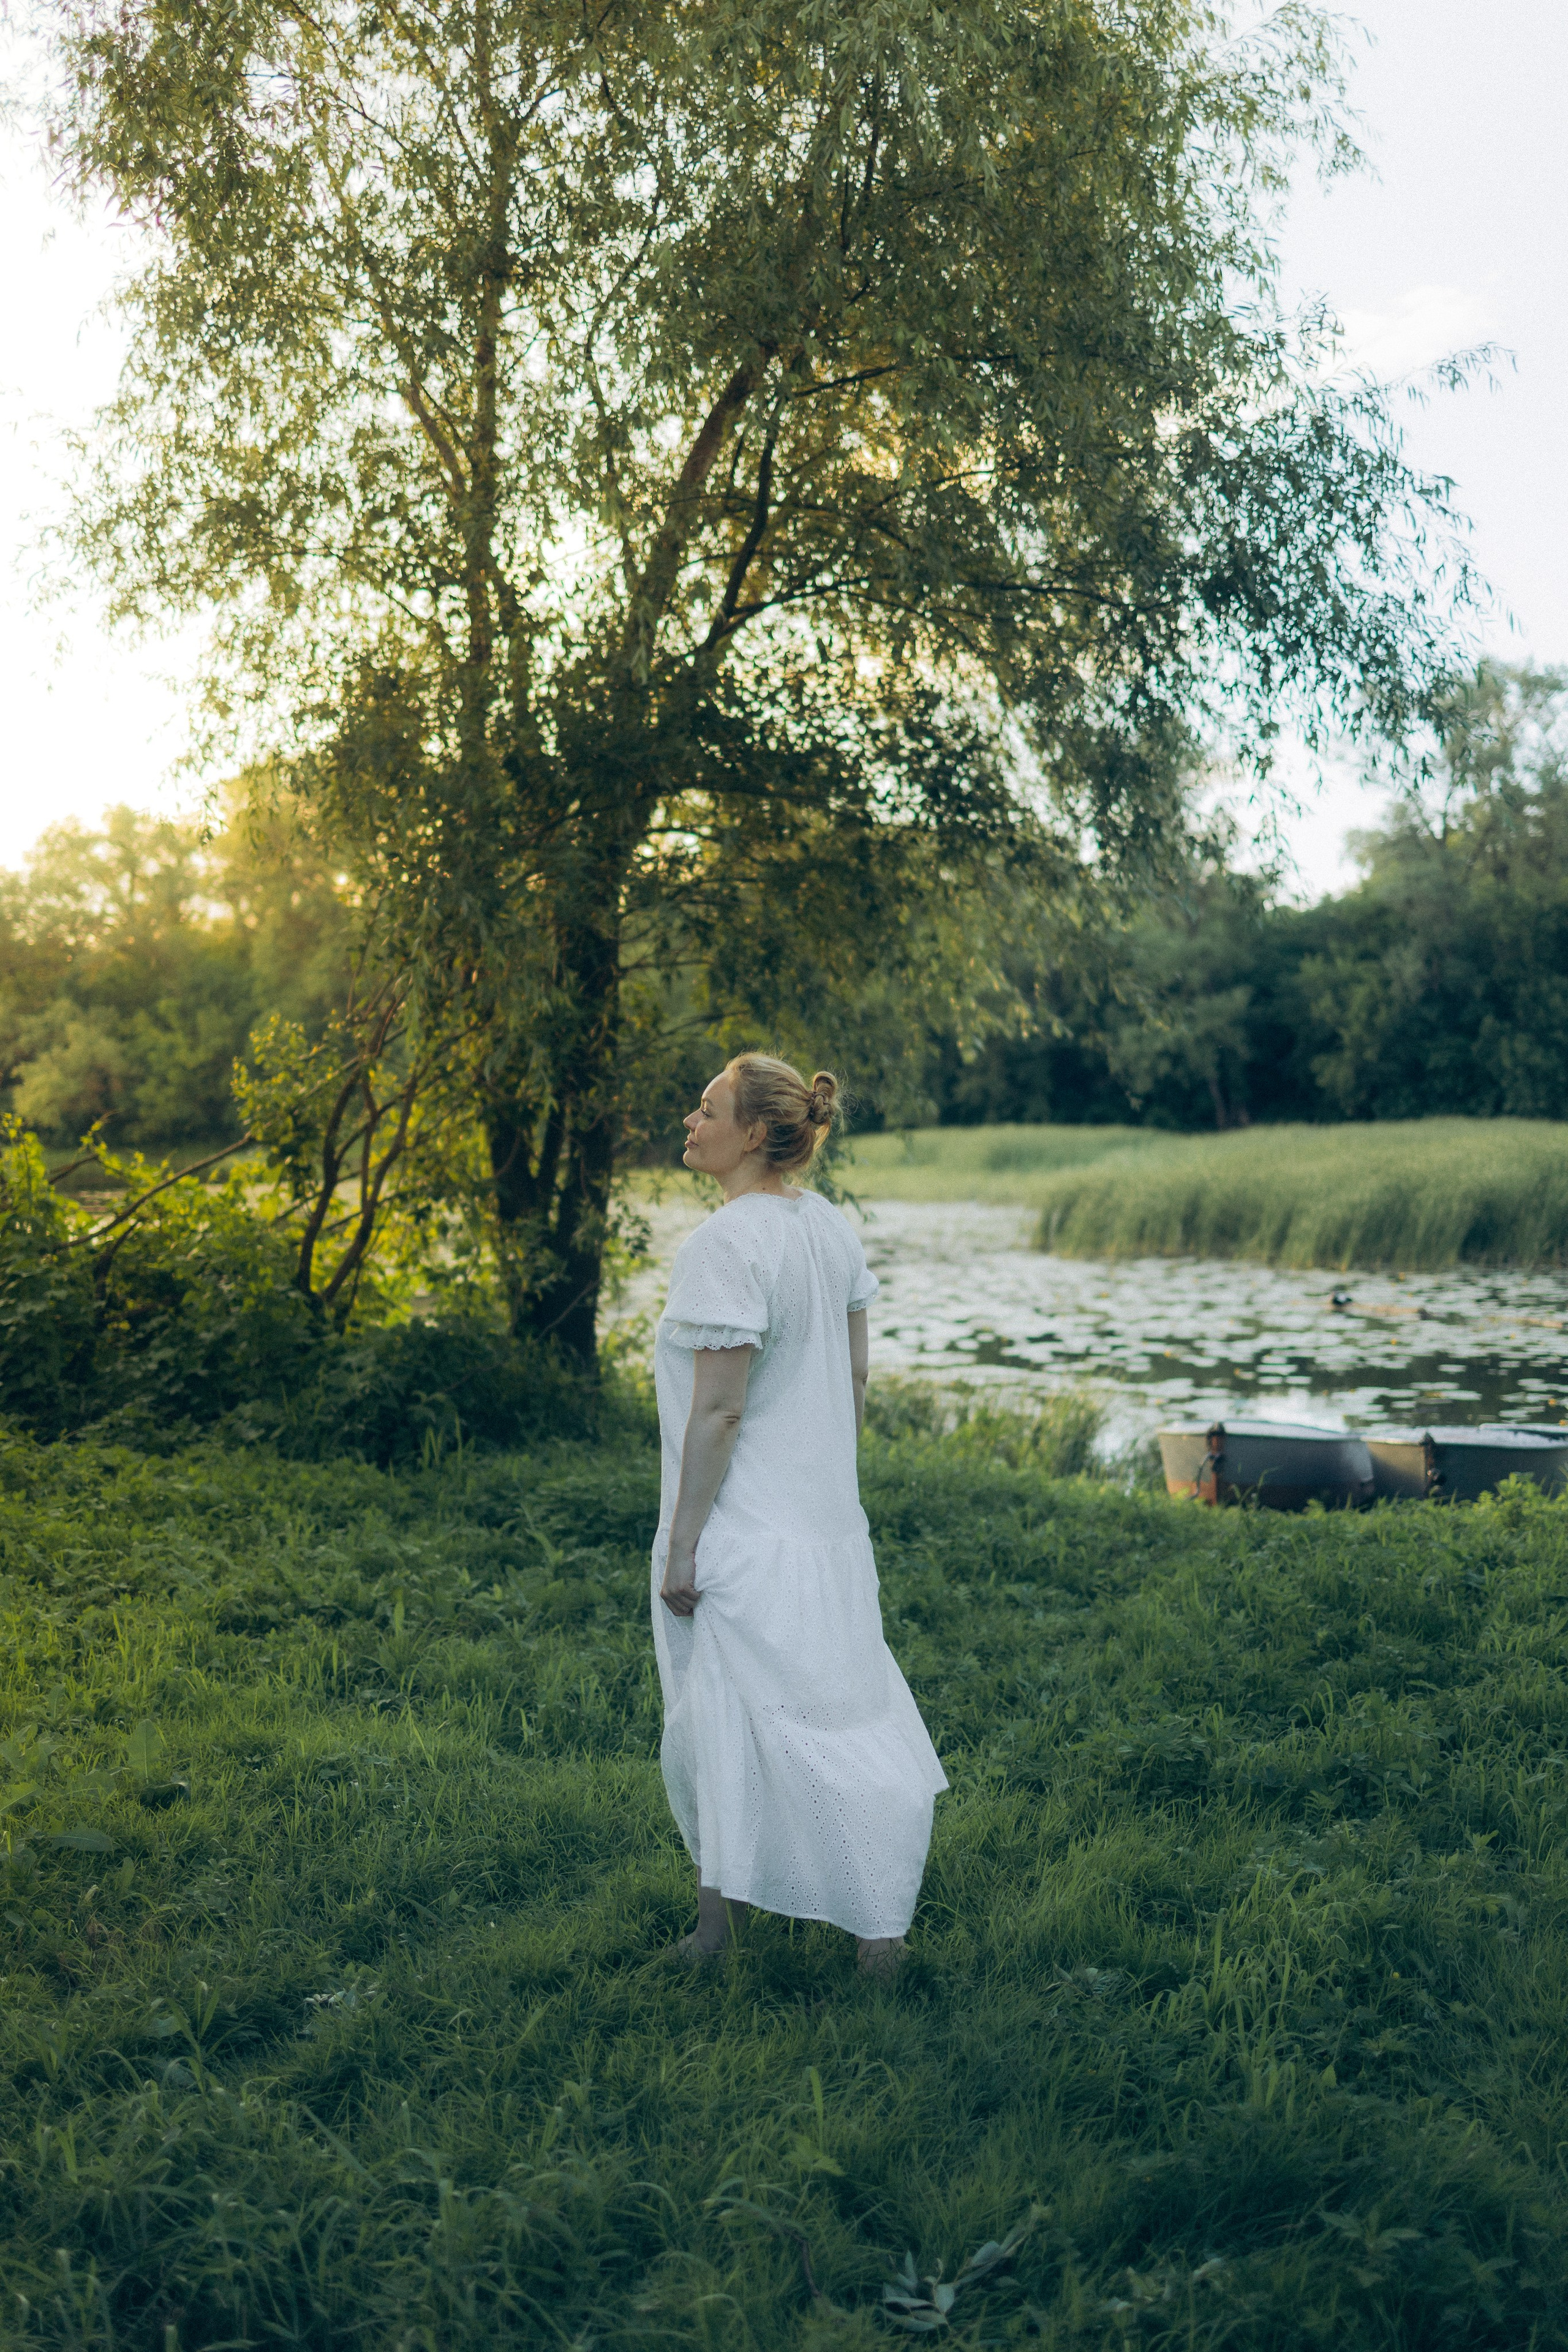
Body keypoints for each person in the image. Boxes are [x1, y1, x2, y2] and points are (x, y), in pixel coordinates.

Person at [650, 1052, 948, 1977]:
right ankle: (734, 1928)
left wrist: (685, 1542)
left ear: (752, 1135)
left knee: (749, 1720)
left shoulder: (725, 1245)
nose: (690, 1124)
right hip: (823, 1524)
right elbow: (854, 1378)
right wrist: (825, 1477)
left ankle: (862, 1931)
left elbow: (721, 1410)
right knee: (809, 1712)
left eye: (707, 1111)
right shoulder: (829, 1230)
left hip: (746, 1526)